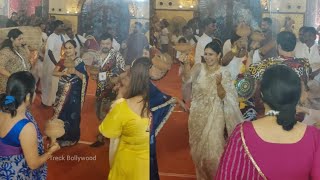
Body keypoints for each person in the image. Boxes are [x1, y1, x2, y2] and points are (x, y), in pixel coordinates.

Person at [216, 65, 320, 179]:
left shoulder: (242, 134)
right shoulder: (314, 136)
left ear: (261, 95)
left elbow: (226, 176)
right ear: (297, 97)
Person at [180, 40, 244, 179]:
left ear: (219, 55)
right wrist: (185, 64)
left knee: (213, 154)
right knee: (198, 154)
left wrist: (219, 84)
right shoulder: (198, 67)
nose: (208, 57)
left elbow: (225, 97)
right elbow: (187, 80)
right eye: (206, 54)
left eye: (212, 54)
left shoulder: (224, 72)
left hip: (216, 115)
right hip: (197, 115)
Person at [0, 71, 60, 179]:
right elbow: (33, 164)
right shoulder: (25, 127)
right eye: (34, 90)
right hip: (15, 171)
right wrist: (50, 151)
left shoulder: (3, 107)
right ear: (28, 96)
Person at [99, 57, 150, 180]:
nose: (126, 74)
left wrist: (120, 96)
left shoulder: (123, 106)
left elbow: (107, 131)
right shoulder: (158, 102)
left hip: (127, 164)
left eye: (130, 73)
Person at [85, 33, 125, 147]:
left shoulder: (117, 55)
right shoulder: (97, 55)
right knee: (98, 113)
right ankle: (107, 133)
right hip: (99, 89)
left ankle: (102, 137)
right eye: (103, 43)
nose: (105, 45)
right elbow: (94, 70)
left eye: (108, 43)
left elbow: (122, 72)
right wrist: (93, 75)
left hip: (113, 90)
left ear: (111, 43)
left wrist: (112, 77)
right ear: (100, 43)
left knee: (106, 113)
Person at [51, 40, 88, 147]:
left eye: (70, 48)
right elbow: (54, 72)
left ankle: (72, 138)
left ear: (75, 49)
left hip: (74, 95)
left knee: (72, 115)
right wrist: (63, 73)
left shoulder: (80, 62)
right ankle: (60, 135)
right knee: (61, 114)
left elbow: (85, 77)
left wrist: (75, 72)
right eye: (66, 48)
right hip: (62, 93)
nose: (68, 50)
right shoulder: (62, 61)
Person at [41, 20, 69, 107]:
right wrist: (56, 64)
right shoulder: (52, 37)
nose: (63, 27)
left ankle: (51, 101)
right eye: (61, 25)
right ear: (56, 27)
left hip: (58, 62)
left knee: (54, 83)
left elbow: (66, 45)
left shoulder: (61, 36)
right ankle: (45, 102)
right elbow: (49, 52)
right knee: (48, 82)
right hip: (51, 63)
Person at [0, 28, 31, 93]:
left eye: (22, 38)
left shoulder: (19, 48)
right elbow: (1, 68)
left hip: (21, 80)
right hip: (12, 83)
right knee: (11, 101)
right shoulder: (5, 52)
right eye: (19, 39)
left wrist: (26, 47)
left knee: (19, 100)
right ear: (12, 39)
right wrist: (14, 77)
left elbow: (28, 57)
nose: (22, 41)